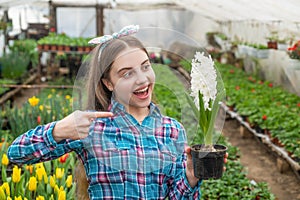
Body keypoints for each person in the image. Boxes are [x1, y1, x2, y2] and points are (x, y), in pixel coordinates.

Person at [7, 25, 227, 200]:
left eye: (145, 66)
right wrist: (57, 131)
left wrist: (190, 177)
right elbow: (16, 154)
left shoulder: (171, 130)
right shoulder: (90, 128)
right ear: (108, 83)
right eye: (126, 73)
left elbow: (176, 196)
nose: (142, 79)